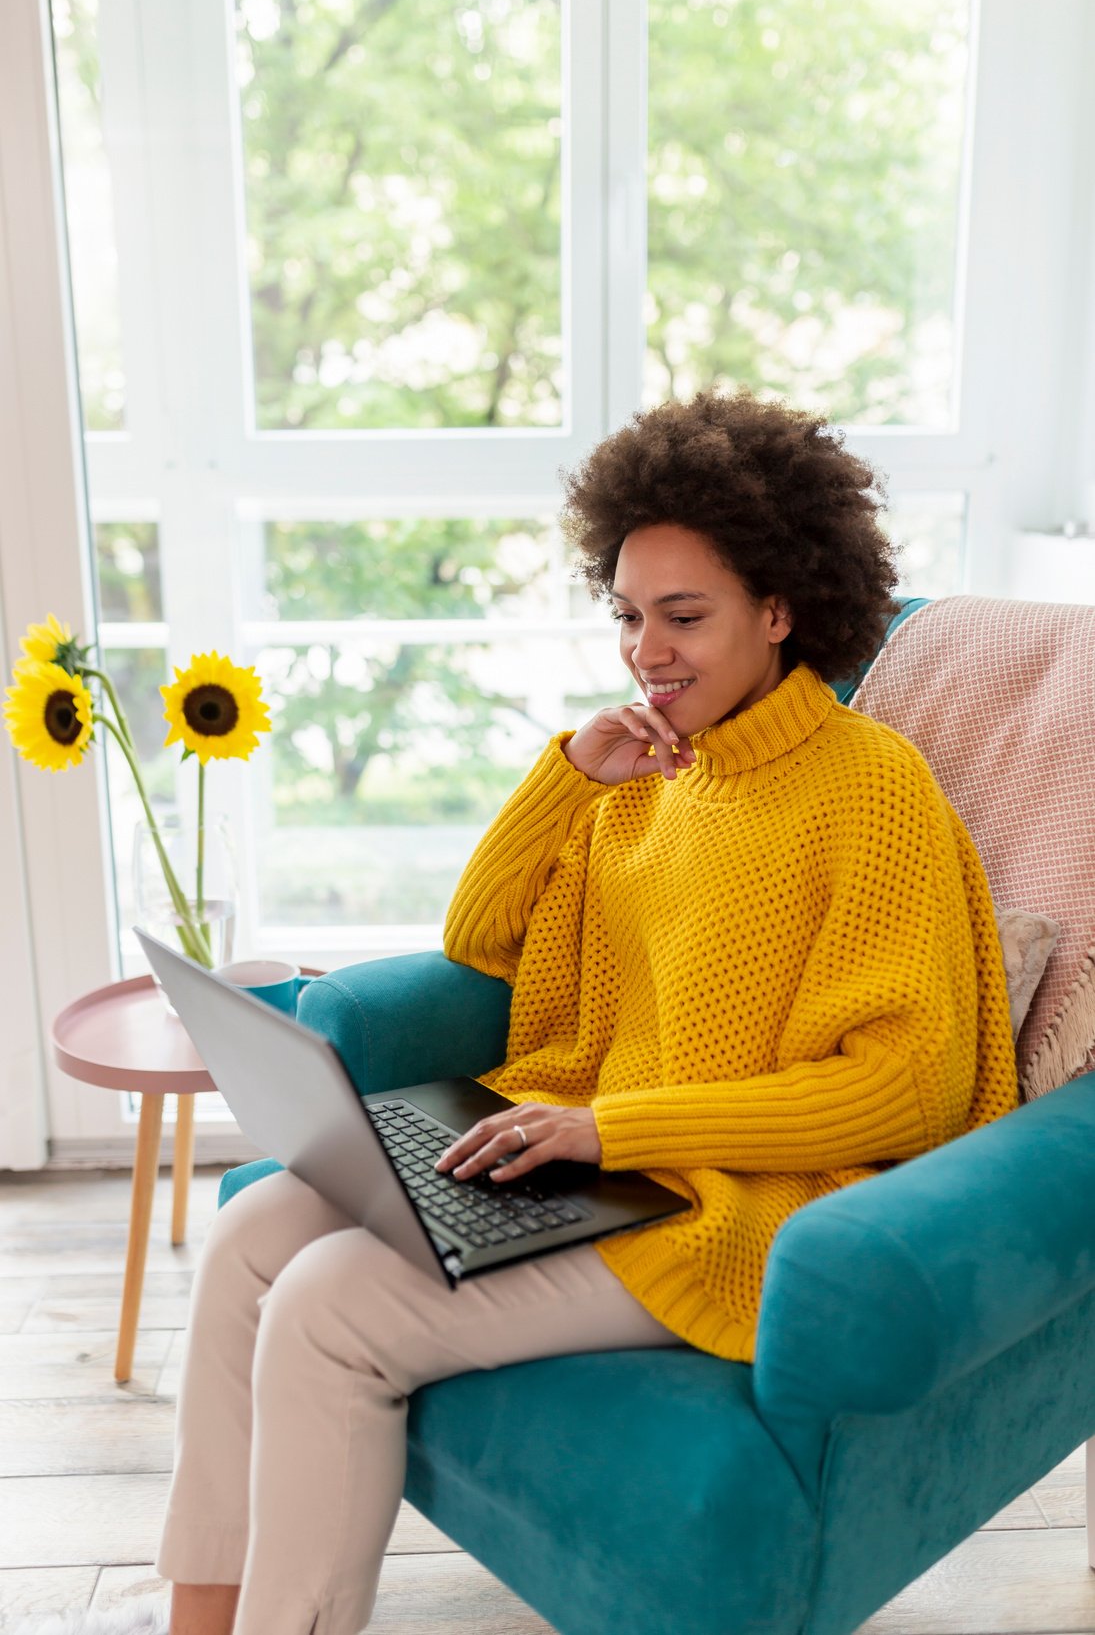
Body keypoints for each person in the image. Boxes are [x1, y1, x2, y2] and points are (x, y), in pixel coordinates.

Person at [155, 388, 1020, 1635]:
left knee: (329, 1302)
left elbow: (908, 1085)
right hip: (581, 1156)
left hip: (731, 1197)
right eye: (628, 614)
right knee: (248, 1242)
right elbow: (482, 938)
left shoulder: (872, 790)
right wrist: (568, 774)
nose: (647, 649)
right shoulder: (649, 769)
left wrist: (614, 1130)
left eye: (685, 616)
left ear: (781, 611)